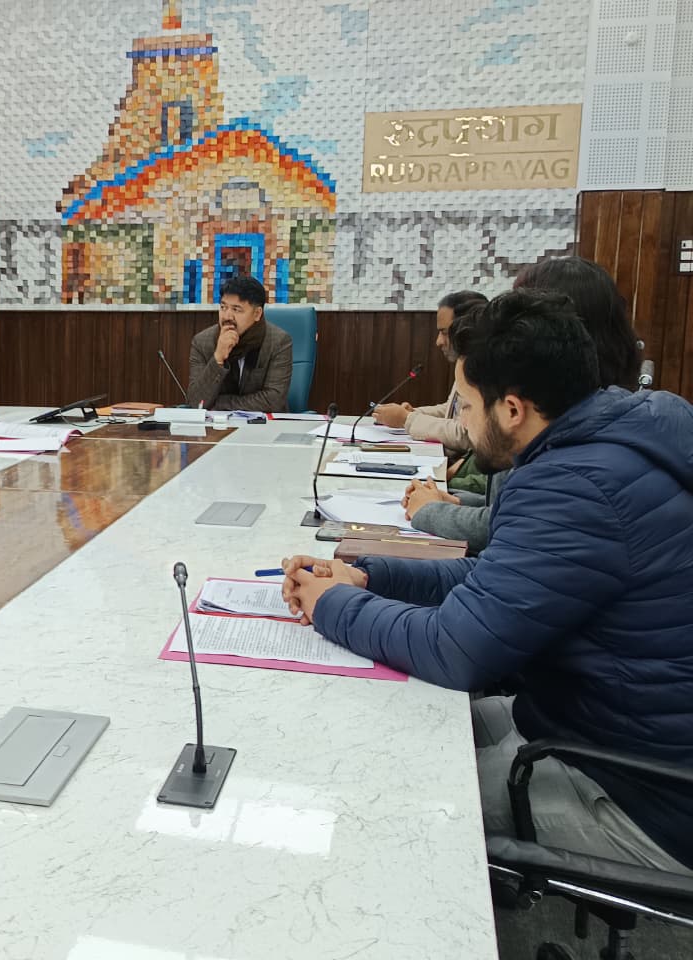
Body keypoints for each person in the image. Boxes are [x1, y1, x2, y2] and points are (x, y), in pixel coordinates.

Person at [282, 288, 693, 875]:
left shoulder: (577, 486)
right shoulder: (606, 444)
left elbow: (453, 650)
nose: (464, 426)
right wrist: (371, 576)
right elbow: (495, 579)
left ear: (512, 410)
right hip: (588, 723)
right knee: (395, 724)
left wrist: (331, 604)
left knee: (388, 794)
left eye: (468, 408)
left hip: (640, 794)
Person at [405, 256, 644, 552]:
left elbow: (517, 525)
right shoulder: (596, 409)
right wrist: (454, 501)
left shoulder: (571, 439)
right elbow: (516, 511)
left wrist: (432, 511)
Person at [372, 290, 487, 455]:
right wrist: (413, 413)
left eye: (444, 332)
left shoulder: (483, 369)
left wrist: (407, 419)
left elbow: (466, 434)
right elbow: (451, 411)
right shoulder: (464, 362)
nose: (438, 341)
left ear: (467, 329)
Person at [186, 274, 292, 412]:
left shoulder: (278, 342)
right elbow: (196, 402)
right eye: (223, 307)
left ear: (257, 314)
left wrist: (218, 404)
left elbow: (273, 401)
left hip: (265, 424)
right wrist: (218, 358)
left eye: (236, 309)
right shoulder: (202, 342)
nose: (227, 316)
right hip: (216, 424)